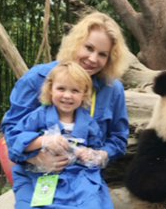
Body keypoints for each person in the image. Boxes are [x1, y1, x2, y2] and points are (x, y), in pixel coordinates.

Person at [1, 12, 130, 208]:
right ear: (75, 43)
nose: (93, 59)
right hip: (36, 174)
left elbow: (118, 139)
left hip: (83, 176)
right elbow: (11, 133)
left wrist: (100, 155)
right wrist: (36, 155)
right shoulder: (37, 77)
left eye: (102, 54)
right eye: (88, 48)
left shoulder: (113, 89)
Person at [7, 61, 113, 208]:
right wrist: (42, 141)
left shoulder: (89, 123)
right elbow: (14, 144)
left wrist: (89, 155)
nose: (67, 96)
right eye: (61, 89)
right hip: (39, 174)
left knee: (93, 202)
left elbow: (96, 149)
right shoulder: (37, 116)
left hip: (78, 176)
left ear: (84, 93)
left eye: (75, 90)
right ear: (50, 89)